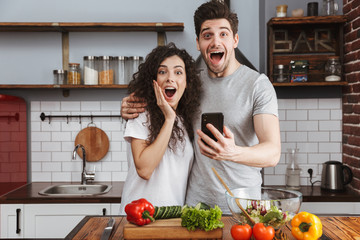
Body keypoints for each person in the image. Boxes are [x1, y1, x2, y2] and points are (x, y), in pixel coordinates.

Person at [121, 1, 281, 214]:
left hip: (241, 208)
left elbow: (272, 153)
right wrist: (127, 105)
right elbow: (158, 102)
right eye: (207, 35)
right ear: (198, 43)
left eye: (223, 34)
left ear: (235, 40)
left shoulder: (258, 85)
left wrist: (233, 152)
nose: (215, 42)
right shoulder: (190, 84)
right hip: (194, 208)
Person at [119, 43, 202, 215]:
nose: (170, 78)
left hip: (171, 220)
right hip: (138, 219)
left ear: (187, 82)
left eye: (178, 72)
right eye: (162, 71)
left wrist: (172, 117)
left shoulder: (184, 121)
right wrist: (169, 118)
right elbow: (144, 169)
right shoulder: (142, 113)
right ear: (153, 80)